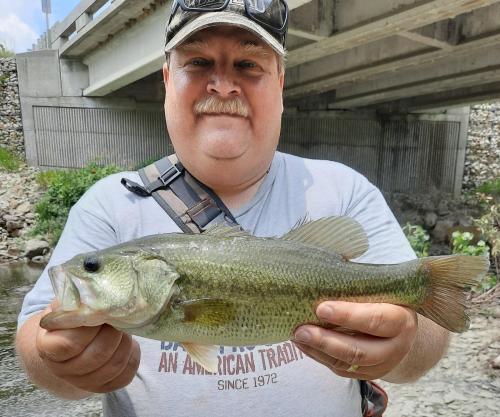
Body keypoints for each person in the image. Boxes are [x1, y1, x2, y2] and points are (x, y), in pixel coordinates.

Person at [16, 1, 450, 416]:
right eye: (198, 63)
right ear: (168, 80)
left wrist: (404, 345)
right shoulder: (109, 205)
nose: (223, 84)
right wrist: (56, 360)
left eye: (248, 65)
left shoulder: (344, 190)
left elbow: (426, 345)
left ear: (279, 85)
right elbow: (37, 334)